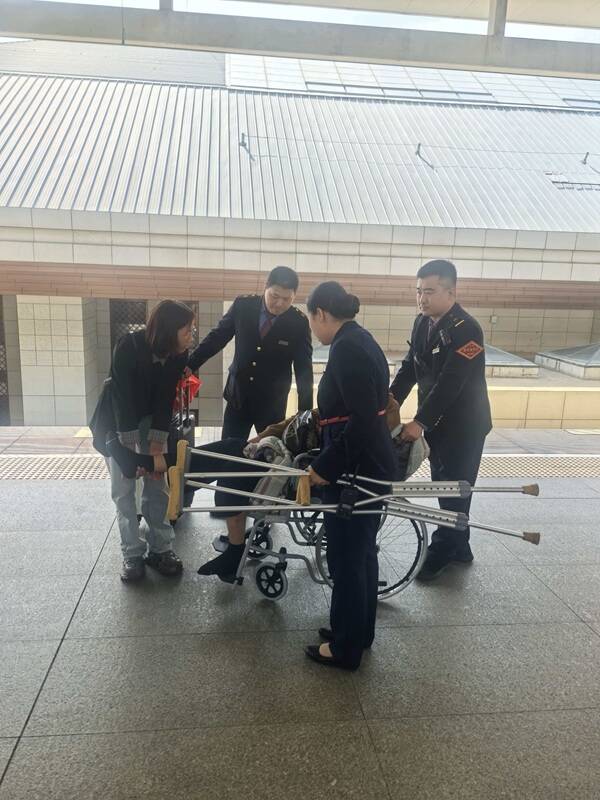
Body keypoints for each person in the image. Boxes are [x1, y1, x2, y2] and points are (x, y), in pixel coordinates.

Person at [303, 281, 396, 671]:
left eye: (311, 320)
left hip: (356, 470)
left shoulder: (347, 349)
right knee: (361, 553)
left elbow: (361, 421)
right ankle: (357, 632)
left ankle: (345, 648)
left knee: (346, 557)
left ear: (321, 313)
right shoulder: (361, 340)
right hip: (368, 463)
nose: (313, 329)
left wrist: (324, 466)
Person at [390, 259, 492, 581]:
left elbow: (452, 382)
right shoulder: (422, 323)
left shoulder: (468, 330)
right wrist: (388, 402)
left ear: (451, 292)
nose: (422, 298)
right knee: (445, 486)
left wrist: (419, 422)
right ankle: (460, 547)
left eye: (430, 291)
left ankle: (441, 550)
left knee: (455, 488)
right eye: (419, 291)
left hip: (464, 426)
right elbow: (410, 367)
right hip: (437, 422)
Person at [106, 300, 194, 582]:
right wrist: (130, 451)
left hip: (153, 419)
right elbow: (121, 399)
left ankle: (160, 548)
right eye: (187, 330)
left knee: (158, 485)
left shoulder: (178, 353)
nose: (191, 336)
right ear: (169, 330)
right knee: (124, 489)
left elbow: (165, 398)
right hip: (118, 423)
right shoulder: (128, 346)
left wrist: (156, 446)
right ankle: (132, 554)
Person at [188, 266, 314, 441]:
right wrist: (191, 364)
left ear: (294, 296)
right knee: (228, 450)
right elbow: (217, 337)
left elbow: (304, 368)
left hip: (272, 402)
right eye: (274, 296)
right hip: (238, 397)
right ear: (265, 287)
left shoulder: (298, 322)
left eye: (286, 299)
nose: (279, 303)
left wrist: (304, 412)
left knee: (270, 451)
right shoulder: (243, 306)